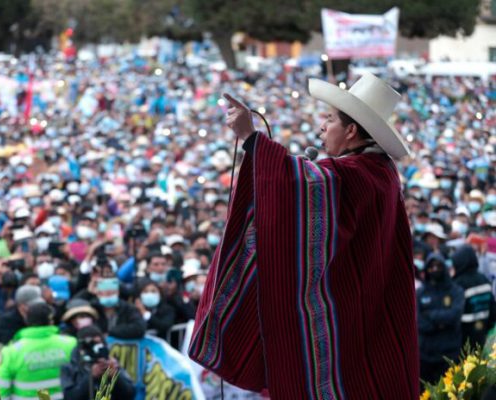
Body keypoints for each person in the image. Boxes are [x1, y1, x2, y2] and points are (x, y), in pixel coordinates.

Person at [189, 74, 419, 398]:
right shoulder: (378, 171)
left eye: (329, 119)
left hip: (353, 327)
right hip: (365, 317)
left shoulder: (360, 174)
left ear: (351, 131)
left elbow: (305, 186)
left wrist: (252, 139)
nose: (322, 127)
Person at [0, 302, 76, 399]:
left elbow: (1, 391)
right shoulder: (70, 344)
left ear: (26, 320)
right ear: (51, 321)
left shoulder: (11, 351)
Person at [417, 252, 464, 384]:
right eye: (431, 267)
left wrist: (430, 315)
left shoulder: (455, 291)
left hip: (449, 353)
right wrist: (441, 322)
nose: (435, 269)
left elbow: (454, 316)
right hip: (426, 355)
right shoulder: (420, 293)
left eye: (438, 266)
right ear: (427, 269)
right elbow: (418, 322)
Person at [61, 325, 136, 400]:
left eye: (98, 344)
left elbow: (130, 394)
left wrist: (115, 377)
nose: (95, 348)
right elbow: (69, 397)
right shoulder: (70, 367)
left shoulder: (111, 363)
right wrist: (91, 377)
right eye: (91, 344)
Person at [452, 245, 496, 348]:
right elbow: (493, 309)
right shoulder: (484, 279)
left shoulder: (458, 283)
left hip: (463, 338)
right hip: (483, 333)